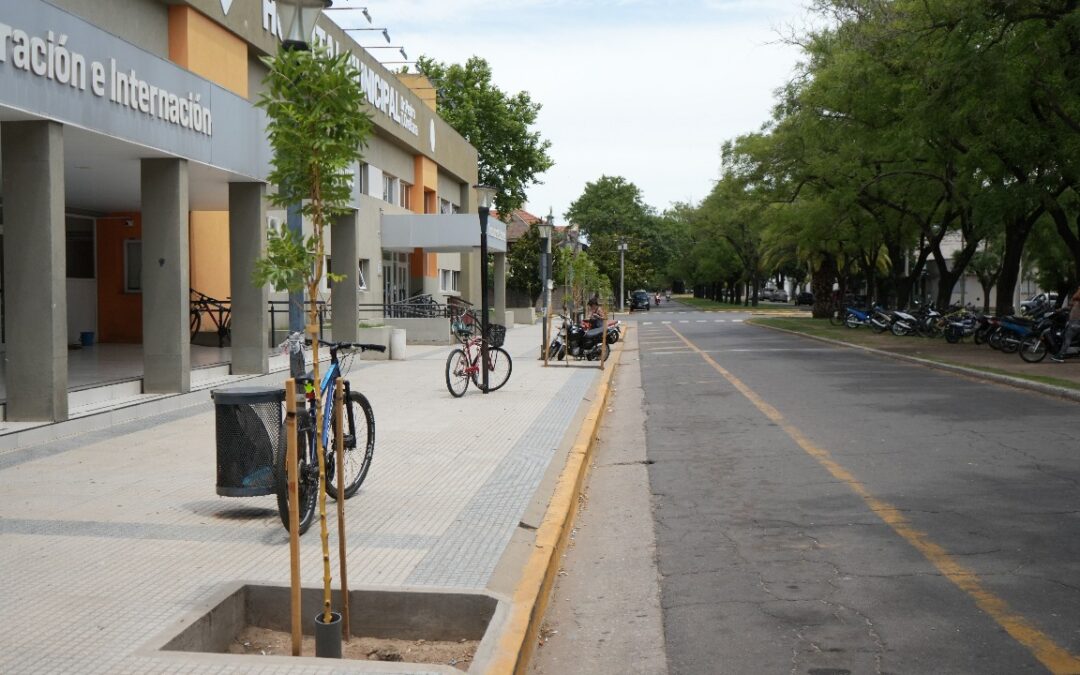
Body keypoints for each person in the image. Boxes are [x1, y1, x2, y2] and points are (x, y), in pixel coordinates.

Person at [1051, 287, 1080, 362]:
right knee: (1065, 337)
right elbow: (1069, 306)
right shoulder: (1076, 302)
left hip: (1076, 323)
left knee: (1067, 338)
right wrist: (1058, 310)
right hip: (1072, 322)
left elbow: (1074, 297)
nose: (1077, 291)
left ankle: (1061, 355)